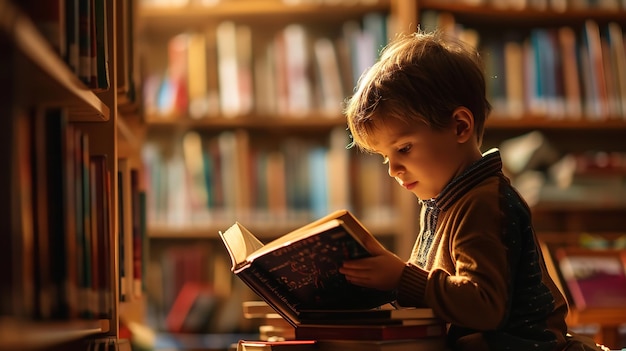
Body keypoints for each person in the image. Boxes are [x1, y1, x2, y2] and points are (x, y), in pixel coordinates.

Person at [339, 30, 608, 351]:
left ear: (460, 127)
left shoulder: (483, 202)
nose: (393, 169)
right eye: (386, 157)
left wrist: (401, 278)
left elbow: (483, 306)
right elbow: (437, 297)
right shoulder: (443, 201)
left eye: (404, 148)